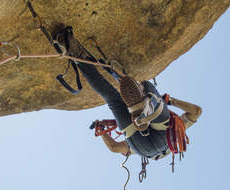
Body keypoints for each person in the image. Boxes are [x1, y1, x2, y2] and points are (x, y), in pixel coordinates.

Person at [54, 27, 202, 160]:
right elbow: (114, 148)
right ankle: (71, 47)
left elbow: (196, 111)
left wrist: (170, 101)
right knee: (112, 98)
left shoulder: (180, 131)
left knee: (147, 89)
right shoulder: (134, 153)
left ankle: (145, 104)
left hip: (166, 136)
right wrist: (102, 130)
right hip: (141, 148)